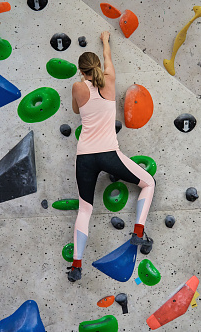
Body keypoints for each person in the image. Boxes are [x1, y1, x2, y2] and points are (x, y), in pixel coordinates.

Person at [67, 31, 156, 282]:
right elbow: (108, 58)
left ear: (81, 71)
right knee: (148, 182)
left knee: (85, 208)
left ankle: (76, 265)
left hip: (85, 156)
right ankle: (138, 231)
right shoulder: (110, 80)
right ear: (97, 67)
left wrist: (82, 90)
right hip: (108, 154)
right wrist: (106, 40)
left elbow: (76, 109)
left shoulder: (76, 87)